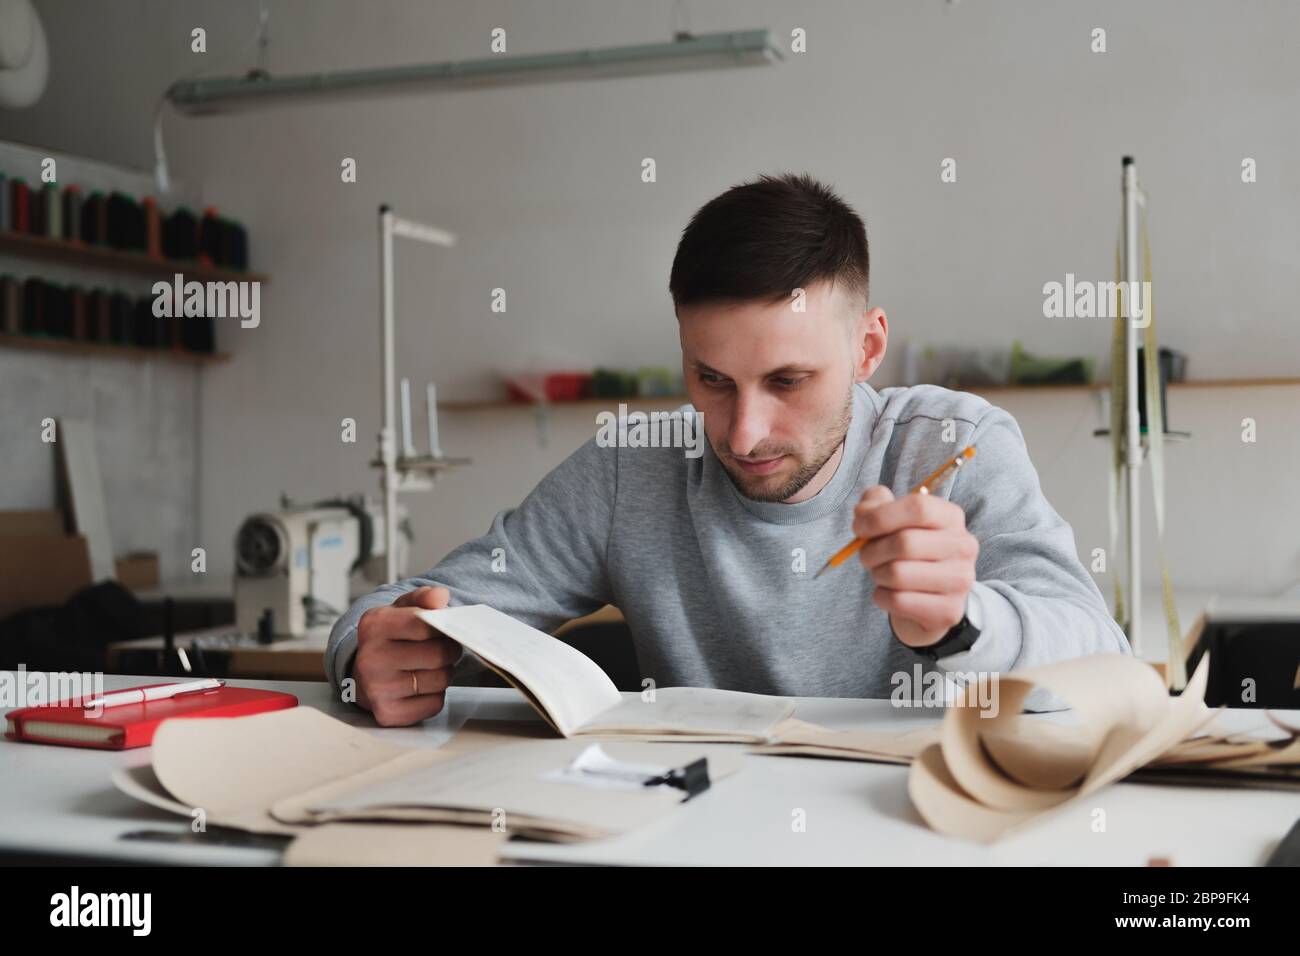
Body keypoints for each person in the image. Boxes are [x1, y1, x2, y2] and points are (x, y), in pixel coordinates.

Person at [327, 172, 1128, 726]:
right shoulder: (631, 465)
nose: (742, 434)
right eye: (711, 378)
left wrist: (964, 621)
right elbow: (404, 607)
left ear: (868, 347)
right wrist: (367, 660)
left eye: (788, 380)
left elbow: (1108, 670)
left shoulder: (954, 445)